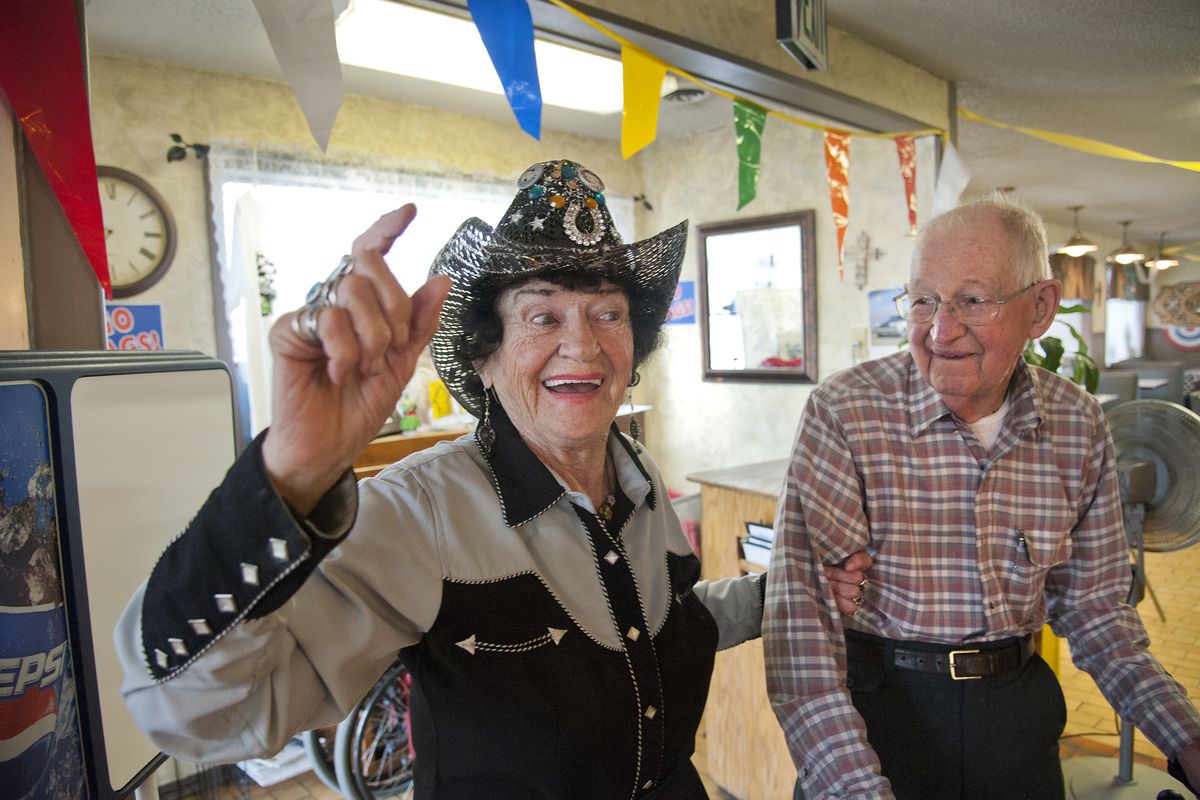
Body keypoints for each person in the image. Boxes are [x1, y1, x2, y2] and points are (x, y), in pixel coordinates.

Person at [114, 159, 860, 798]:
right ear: (484, 356)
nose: (584, 346)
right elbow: (189, 712)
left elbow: (663, 626)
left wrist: (782, 594)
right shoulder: (419, 513)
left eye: (608, 313)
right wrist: (289, 477)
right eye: (542, 317)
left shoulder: (635, 474)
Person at [763, 192, 1200, 800]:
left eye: (973, 300)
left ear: (1040, 308)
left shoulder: (1075, 423)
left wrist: (1185, 738)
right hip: (875, 714)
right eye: (924, 301)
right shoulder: (847, 412)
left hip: (1015, 717)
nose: (942, 331)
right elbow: (802, 641)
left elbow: (1097, 611)